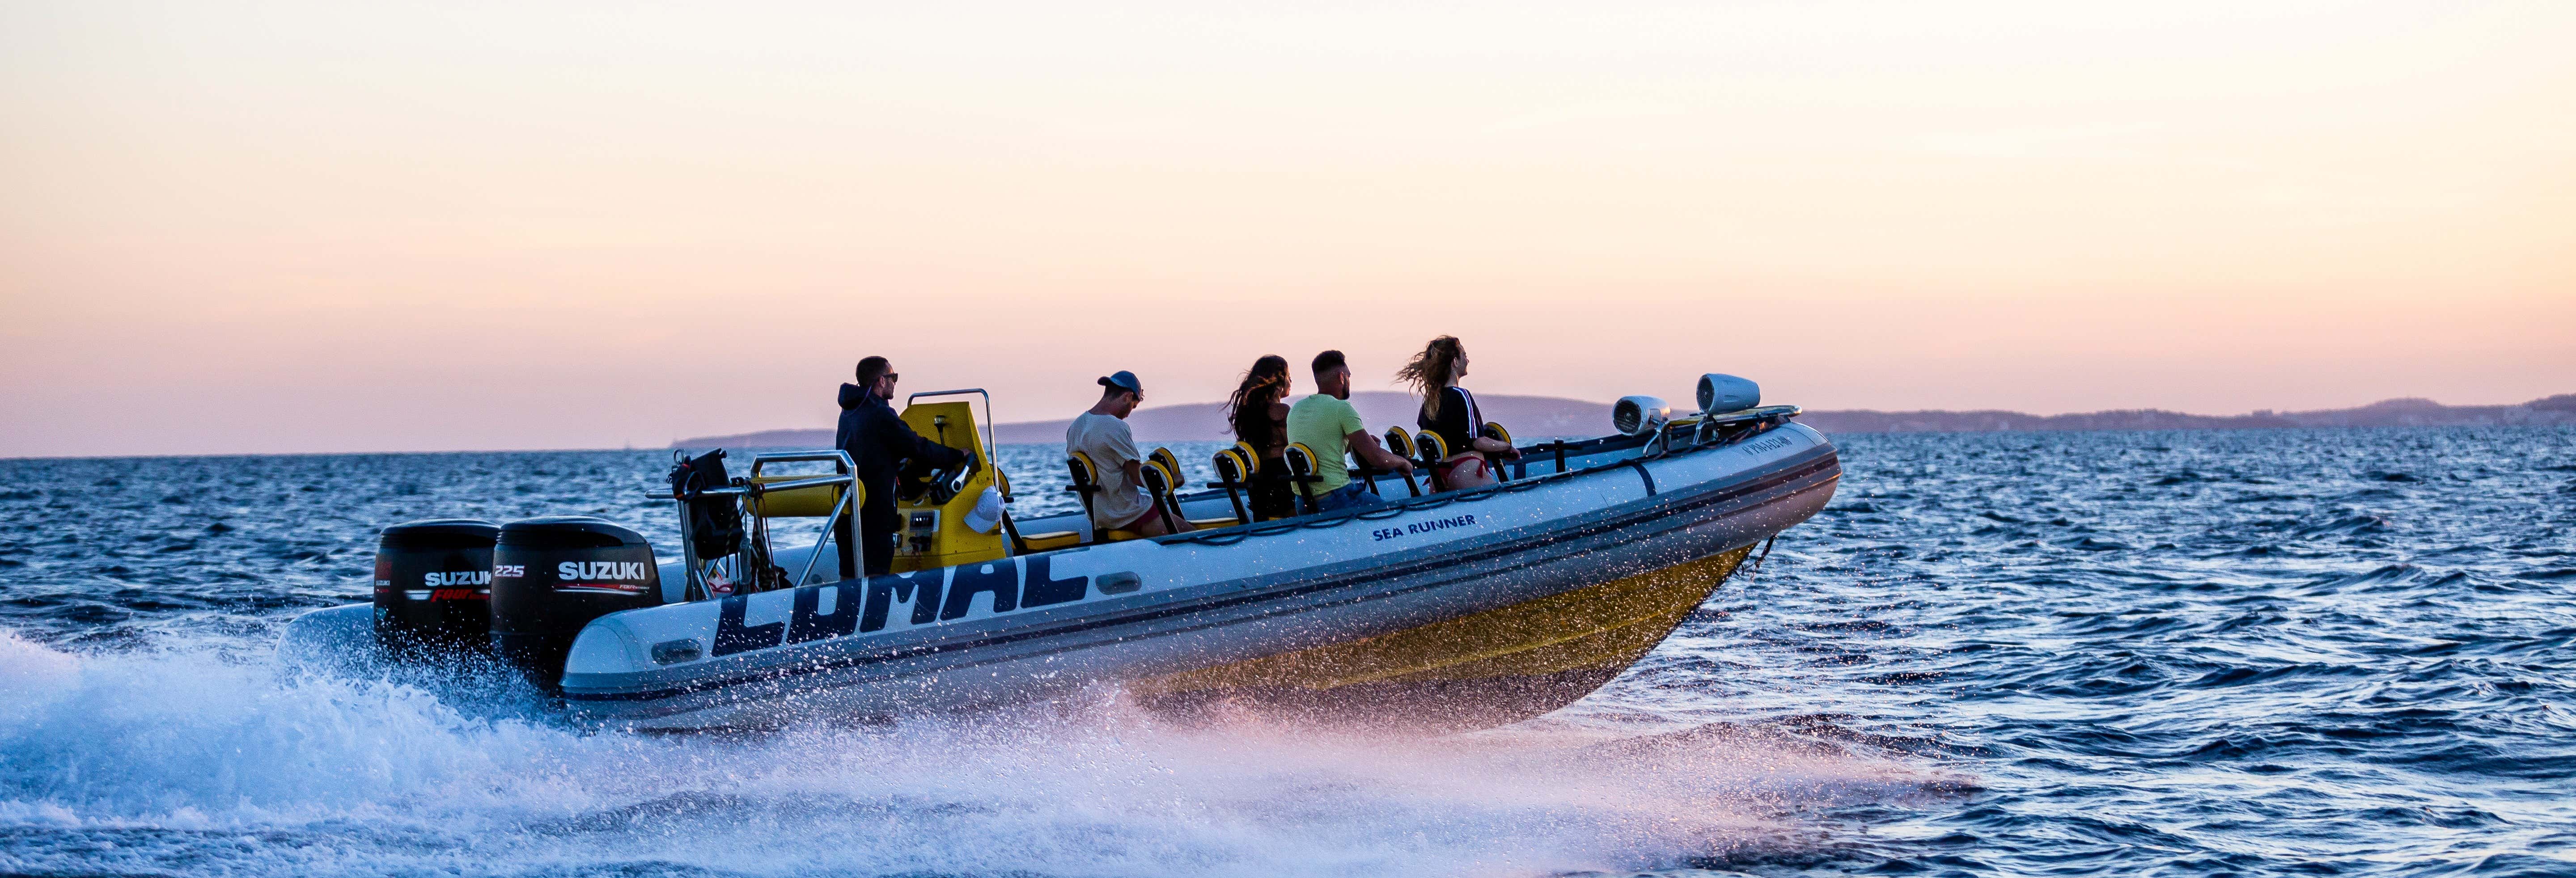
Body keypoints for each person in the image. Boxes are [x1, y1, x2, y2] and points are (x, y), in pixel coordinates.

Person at [834, 356, 968, 577]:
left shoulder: (848, 412)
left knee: (850, 581)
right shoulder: (880, 414)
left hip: (849, 514)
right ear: (880, 381)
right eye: (893, 377)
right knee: (875, 582)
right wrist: (956, 455)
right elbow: (917, 447)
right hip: (874, 518)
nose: (895, 382)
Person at [1285, 350, 1416, 513]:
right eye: (1349, 376)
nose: (1349, 381)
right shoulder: (1342, 408)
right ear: (1342, 377)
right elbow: (1377, 459)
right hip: (1336, 498)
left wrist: (1357, 444)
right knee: (1392, 514)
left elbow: (1322, 447)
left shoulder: (1297, 409)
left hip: (1302, 502)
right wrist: (1403, 462)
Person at [1067, 371, 1193, 537]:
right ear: (1127, 397)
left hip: (1100, 516)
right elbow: (1137, 477)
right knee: (1193, 536)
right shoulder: (1115, 427)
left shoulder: (1076, 427)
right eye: (1133, 407)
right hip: (1129, 514)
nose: (1128, 414)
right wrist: (1172, 479)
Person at [1398, 335, 1518, 490]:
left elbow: (1444, 444)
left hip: (1439, 478)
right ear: (1455, 362)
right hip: (1467, 472)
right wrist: (1507, 447)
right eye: (1465, 356)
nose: (1468, 361)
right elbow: (1477, 442)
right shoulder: (1462, 395)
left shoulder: (1429, 402)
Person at [1223, 355, 1296, 520]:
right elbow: (1294, 448)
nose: (1291, 381)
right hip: (1282, 479)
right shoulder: (1282, 411)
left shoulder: (1248, 413)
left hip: (1259, 485)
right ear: (1279, 380)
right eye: (1289, 376)